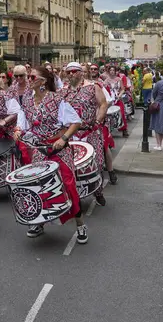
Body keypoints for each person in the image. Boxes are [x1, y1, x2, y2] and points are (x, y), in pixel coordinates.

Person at [13, 67, 87, 243]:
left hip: (59, 148)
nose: (28, 80)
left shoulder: (57, 99)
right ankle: (39, 222)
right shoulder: (27, 101)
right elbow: (22, 123)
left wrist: (63, 138)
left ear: (43, 81)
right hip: (39, 148)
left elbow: (75, 122)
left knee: (68, 185)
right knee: (38, 185)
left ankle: (80, 224)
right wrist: (17, 130)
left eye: (32, 77)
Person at [63, 62, 112, 206]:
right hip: (70, 133)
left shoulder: (93, 86)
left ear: (81, 72)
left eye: (74, 71)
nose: (71, 74)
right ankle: (73, 196)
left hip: (90, 131)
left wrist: (98, 120)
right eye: (68, 72)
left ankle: (98, 191)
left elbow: (103, 104)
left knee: (95, 163)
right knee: (72, 165)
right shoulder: (63, 90)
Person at [103, 66, 129, 137]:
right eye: (110, 70)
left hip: (117, 98)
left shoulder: (119, 79)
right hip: (110, 99)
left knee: (122, 113)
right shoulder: (106, 81)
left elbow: (123, 89)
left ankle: (124, 129)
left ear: (115, 71)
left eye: (113, 70)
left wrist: (120, 95)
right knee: (109, 115)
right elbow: (104, 90)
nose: (112, 71)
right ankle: (109, 130)